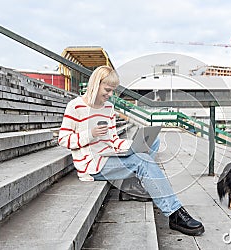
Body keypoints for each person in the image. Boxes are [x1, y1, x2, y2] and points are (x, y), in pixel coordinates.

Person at [58, 66, 204, 236]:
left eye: (113, 90)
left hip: (109, 155)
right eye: (107, 89)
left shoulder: (108, 108)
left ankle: (131, 185)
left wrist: (132, 145)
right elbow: (63, 140)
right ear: (95, 84)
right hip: (92, 165)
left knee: (152, 141)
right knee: (143, 160)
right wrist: (89, 134)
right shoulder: (75, 107)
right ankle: (174, 213)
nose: (110, 94)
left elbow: (113, 140)